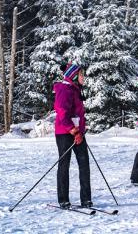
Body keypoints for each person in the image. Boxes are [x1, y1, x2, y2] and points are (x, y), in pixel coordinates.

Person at [54, 62, 91, 209]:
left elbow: (78, 113)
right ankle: (63, 199)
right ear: (74, 76)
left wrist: (80, 130)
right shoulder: (65, 89)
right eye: (82, 75)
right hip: (65, 133)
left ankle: (86, 199)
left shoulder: (76, 89)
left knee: (84, 163)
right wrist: (73, 130)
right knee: (64, 164)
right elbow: (62, 114)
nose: (84, 78)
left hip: (78, 133)